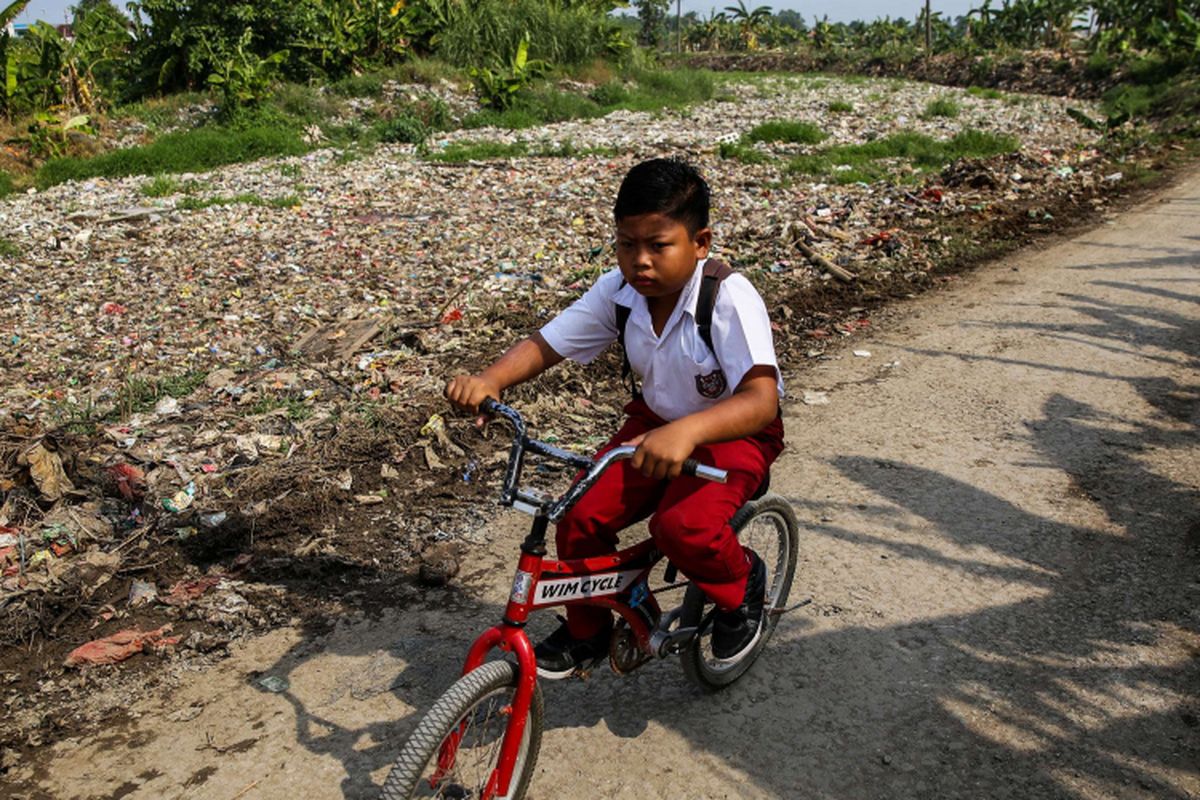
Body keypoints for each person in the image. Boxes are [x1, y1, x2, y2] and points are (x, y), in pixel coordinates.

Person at [445, 157, 785, 678]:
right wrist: (491, 380)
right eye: (627, 245)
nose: (640, 261)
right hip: (653, 424)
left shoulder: (725, 297)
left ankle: (744, 586)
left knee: (681, 527)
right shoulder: (620, 293)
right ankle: (589, 630)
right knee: (578, 516)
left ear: (701, 242)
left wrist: (688, 430)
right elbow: (548, 343)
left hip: (731, 431)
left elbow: (761, 399)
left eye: (658, 245)